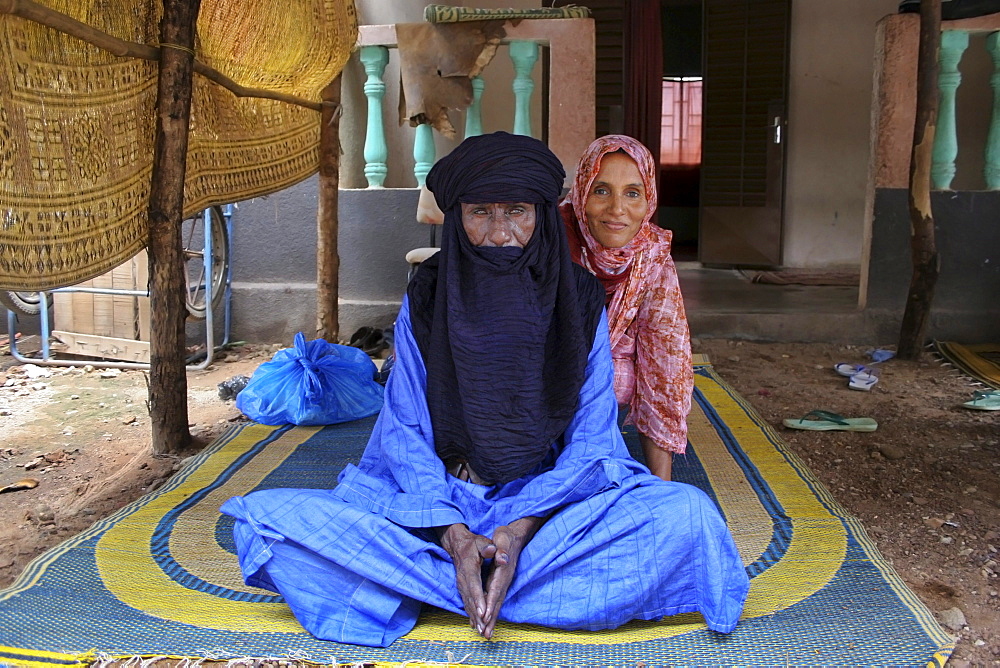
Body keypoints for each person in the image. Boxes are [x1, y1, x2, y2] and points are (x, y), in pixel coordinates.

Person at [221, 132, 748, 648]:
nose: (499, 233)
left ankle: (431, 585)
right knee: (265, 522)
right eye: (480, 213)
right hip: (438, 503)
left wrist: (517, 531)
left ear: (542, 215)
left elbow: (592, 440)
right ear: (457, 219)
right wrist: (452, 533)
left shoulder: (581, 299)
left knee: (687, 516)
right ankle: (493, 579)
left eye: (516, 211)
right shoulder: (427, 294)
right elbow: (403, 428)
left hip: (549, 513)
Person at [560, 135, 693, 482]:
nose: (617, 209)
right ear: (580, 194)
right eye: (601, 190)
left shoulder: (651, 256)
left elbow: (666, 364)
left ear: (648, 200)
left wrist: (660, 487)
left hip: (608, 369)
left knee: (624, 373)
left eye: (632, 193)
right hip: (545, 376)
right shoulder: (551, 239)